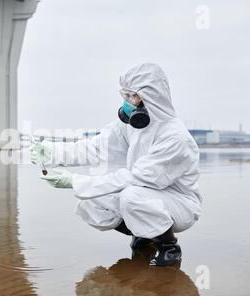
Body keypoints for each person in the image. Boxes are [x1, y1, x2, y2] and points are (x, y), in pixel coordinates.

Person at [29, 63, 202, 266]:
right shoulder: (131, 126)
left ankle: (169, 246)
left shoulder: (175, 137)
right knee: (92, 201)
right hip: (146, 194)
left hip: (179, 203)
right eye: (125, 95)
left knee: (130, 196)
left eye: (132, 96)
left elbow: (136, 177)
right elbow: (95, 147)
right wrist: (53, 151)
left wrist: (75, 181)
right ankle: (145, 234)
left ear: (152, 98)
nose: (127, 102)